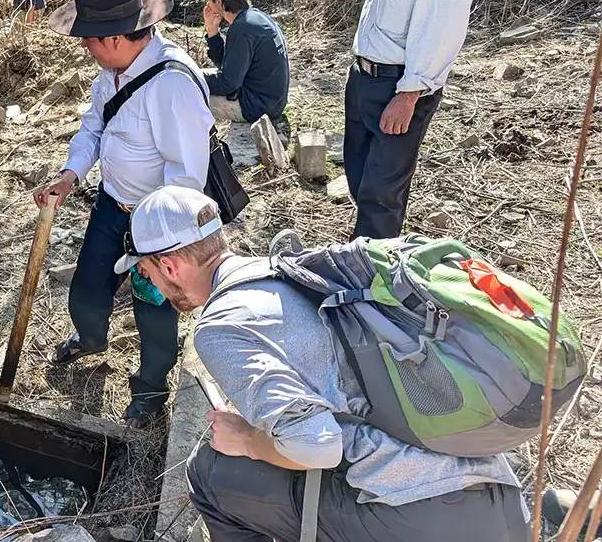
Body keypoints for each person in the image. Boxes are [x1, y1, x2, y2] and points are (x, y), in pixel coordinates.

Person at [115, 185, 528, 542]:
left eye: (146, 272)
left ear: (168, 265)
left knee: (209, 471)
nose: (149, 282)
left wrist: (246, 440)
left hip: (416, 516)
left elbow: (317, 447)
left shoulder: (220, 328)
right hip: (499, 498)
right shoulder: (292, 272)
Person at [34, 0, 214, 428]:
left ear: (115, 38)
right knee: (88, 289)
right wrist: (70, 175)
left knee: (154, 310)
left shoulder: (172, 84)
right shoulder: (110, 74)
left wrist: (159, 240)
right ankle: (91, 338)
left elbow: (187, 175)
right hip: (112, 207)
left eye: (89, 39)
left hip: (156, 227)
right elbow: (94, 126)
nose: (84, 48)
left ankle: (150, 391)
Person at [336, 0, 480, 239]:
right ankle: (369, 255)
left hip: (399, 88)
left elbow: (440, 30)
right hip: (365, 78)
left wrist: (409, 93)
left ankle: (373, 279)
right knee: (360, 177)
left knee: (381, 194)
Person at [198, 0, 290, 124]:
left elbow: (227, 84)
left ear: (219, 1)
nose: (207, 3)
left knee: (187, 91)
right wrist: (212, 32)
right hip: (272, 102)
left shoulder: (242, 30)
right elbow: (229, 67)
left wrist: (192, 76)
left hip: (257, 108)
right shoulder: (254, 18)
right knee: (199, 79)